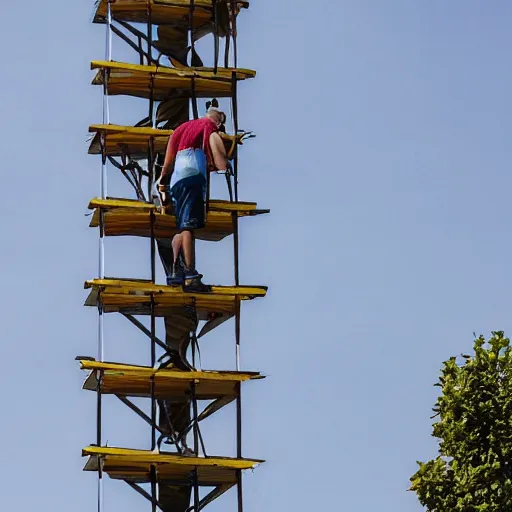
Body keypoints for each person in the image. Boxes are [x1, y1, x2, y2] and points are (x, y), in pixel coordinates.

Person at [157, 108, 228, 288]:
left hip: (177, 179)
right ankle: (190, 274)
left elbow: (168, 160)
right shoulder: (209, 127)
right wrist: (222, 164)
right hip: (193, 174)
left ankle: (175, 270)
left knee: (182, 225)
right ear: (218, 122)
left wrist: (163, 182)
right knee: (189, 226)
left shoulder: (181, 128)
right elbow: (220, 162)